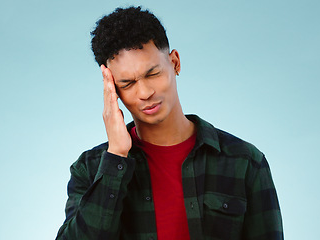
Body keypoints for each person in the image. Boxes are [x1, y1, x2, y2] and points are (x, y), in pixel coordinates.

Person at [56, 6, 283, 240]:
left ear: (175, 62)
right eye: (127, 84)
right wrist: (116, 157)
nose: (144, 92)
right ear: (112, 88)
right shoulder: (90, 169)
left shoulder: (244, 161)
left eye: (153, 74)